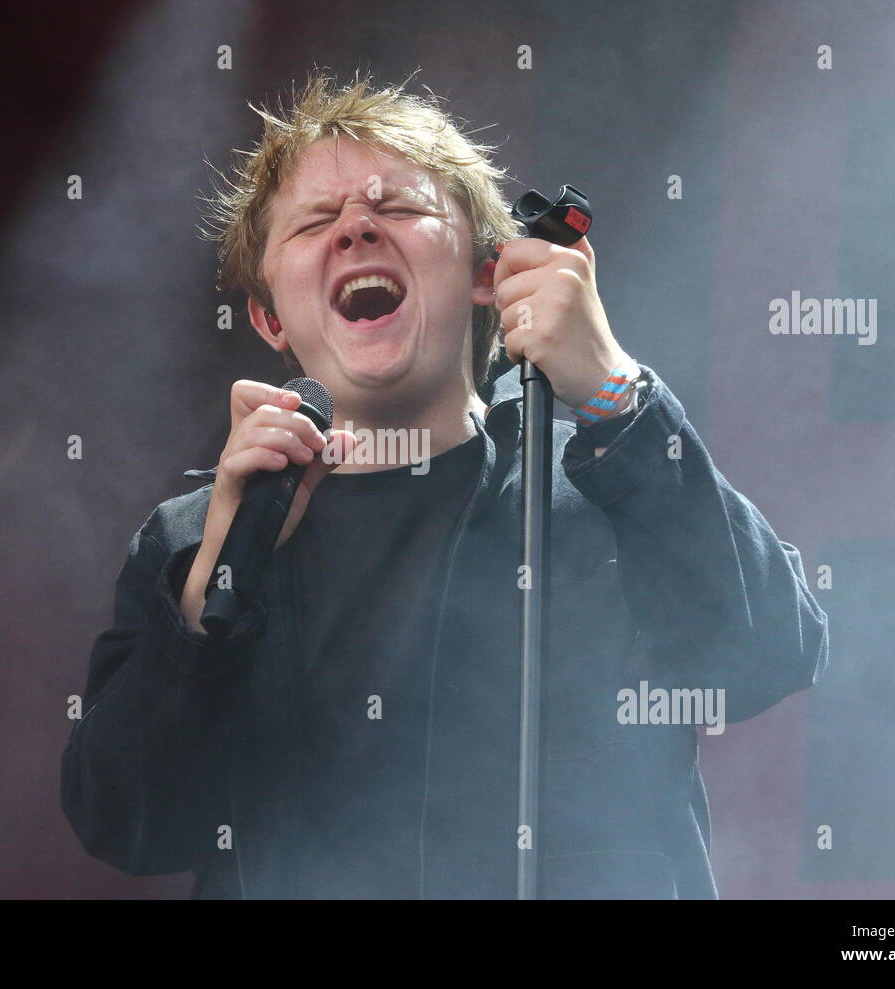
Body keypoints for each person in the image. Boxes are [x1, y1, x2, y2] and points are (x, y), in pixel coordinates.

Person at [60, 71, 829, 899]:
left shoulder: (603, 489)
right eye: (316, 221)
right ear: (270, 318)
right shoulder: (194, 539)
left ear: (485, 272)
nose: (356, 228)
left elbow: (770, 654)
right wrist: (217, 584)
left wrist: (615, 391)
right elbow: (127, 822)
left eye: (398, 209)